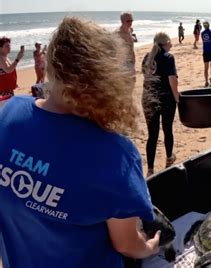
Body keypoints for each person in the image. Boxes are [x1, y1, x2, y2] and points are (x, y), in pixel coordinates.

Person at [0, 17, 161, 267]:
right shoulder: (115, 154)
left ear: (50, 66)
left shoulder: (7, 114)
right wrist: (149, 247)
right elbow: (127, 244)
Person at [142, 32, 179, 177]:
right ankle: (169, 159)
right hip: (165, 99)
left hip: (148, 99)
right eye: (169, 43)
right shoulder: (168, 57)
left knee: (152, 135)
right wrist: (177, 97)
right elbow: (172, 79)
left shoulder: (147, 57)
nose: (171, 45)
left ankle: (150, 169)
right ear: (165, 43)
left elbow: (146, 76)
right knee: (167, 129)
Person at [0, 37, 24, 106]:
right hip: (3, 92)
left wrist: (13, 82)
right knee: (6, 112)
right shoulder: (0, 57)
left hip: (7, 89)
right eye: (6, 46)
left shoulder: (5, 57)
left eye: (9, 45)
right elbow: (8, 70)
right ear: (0, 48)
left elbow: (10, 70)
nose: (9, 47)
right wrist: (17, 59)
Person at [115, 11, 136, 76]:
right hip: (123, 62)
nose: (130, 23)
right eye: (128, 21)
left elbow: (131, 46)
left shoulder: (130, 30)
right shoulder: (118, 34)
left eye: (131, 21)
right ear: (122, 21)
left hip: (131, 61)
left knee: (132, 82)